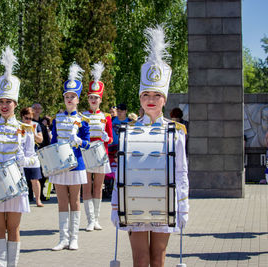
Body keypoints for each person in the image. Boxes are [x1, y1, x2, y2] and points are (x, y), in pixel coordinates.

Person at [111, 25, 189, 267]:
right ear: (140, 100)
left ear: (164, 99)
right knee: (140, 259)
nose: (151, 100)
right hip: (134, 201)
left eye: (156, 95)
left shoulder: (175, 132)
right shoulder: (129, 130)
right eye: (146, 95)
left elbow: (181, 170)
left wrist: (183, 204)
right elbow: (121, 170)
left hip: (163, 201)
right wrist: (116, 203)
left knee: (158, 258)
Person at [0, 46, 36, 266]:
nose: (4, 105)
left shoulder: (26, 129)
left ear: (15, 104)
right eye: (1, 101)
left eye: (8, 101)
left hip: (16, 185)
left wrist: (23, 161)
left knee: (14, 228)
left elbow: (33, 159)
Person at [50, 62, 90, 251]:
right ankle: (62, 238)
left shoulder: (83, 120)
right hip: (59, 165)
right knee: (61, 201)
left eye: (72, 96)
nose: (69, 99)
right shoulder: (57, 118)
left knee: (75, 201)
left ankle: (74, 238)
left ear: (78, 99)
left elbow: (88, 143)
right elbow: (53, 142)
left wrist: (79, 141)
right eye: (67, 96)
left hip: (76, 164)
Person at [81, 62, 113, 232]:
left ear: (101, 100)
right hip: (86, 153)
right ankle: (89, 220)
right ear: (88, 99)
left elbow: (111, 138)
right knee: (86, 186)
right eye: (91, 98)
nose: (93, 100)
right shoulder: (82, 116)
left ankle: (97, 219)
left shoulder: (106, 116)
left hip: (101, 153)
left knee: (98, 186)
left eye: (96, 98)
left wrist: (106, 138)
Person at [21, 107, 44, 207]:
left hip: (33, 156)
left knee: (35, 179)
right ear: (22, 117)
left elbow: (40, 140)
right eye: (26, 118)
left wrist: (32, 132)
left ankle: (38, 200)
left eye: (30, 118)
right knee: (21, 180)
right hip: (21, 156)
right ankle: (22, 200)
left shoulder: (36, 125)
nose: (28, 120)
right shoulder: (18, 126)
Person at [32, 103, 50, 202]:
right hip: (32, 151)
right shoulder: (28, 122)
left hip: (42, 151)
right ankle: (30, 194)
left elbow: (46, 138)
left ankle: (40, 193)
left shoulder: (42, 124)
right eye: (35, 108)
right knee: (31, 174)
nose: (37, 110)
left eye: (39, 108)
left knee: (42, 174)